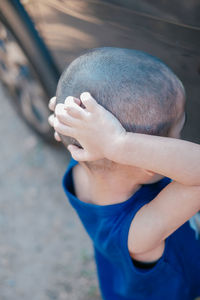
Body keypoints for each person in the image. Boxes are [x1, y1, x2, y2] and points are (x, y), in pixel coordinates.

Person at [48, 47, 200, 300]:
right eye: (178, 133)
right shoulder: (137, 235)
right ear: (148, 162)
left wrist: (67, 124)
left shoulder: (85, 160)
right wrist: (119, 143)